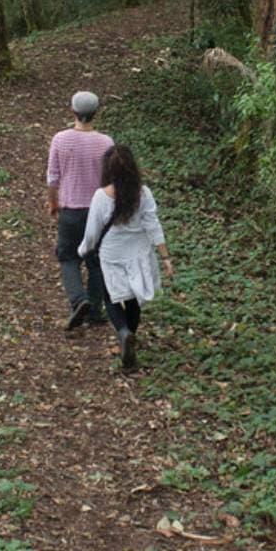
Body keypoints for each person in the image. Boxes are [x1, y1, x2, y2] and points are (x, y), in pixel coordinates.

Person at [78, 144, 173, 370]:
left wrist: (83, 250)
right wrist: (166, 257)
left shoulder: (102, 196)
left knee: (110, 296)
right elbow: (153, 226)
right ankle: (130, 335)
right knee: (132, 298)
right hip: (139, 253)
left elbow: (92, 232)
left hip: (112, 254)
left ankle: (123, 332)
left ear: (108, 170)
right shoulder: (144, 193)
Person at [47, 91, 114, 329]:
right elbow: (110, 181)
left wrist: (53, 203)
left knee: (68, 257)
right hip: (98, 212)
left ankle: (78, 300)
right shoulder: (106, 142)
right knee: (96, 261)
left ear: (72, 110)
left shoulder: (60, 139)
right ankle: (95, 311)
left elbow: (53, 177)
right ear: (96, 112)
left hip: (70, 210)